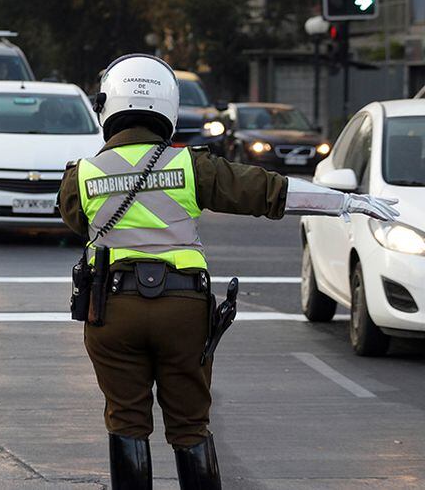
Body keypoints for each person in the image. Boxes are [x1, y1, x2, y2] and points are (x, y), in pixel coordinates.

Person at [58, 54, 398, 489]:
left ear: (105, 106)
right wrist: (345, 202)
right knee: (189, 426)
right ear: (168, 107)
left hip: (111, 309)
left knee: (126, 421)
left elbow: (74, 220)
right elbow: (268, 192)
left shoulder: (82, 174)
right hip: (182, 311)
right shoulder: (190, 166)